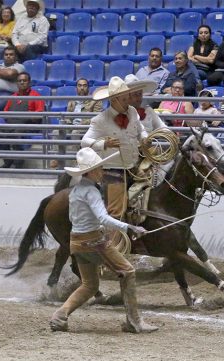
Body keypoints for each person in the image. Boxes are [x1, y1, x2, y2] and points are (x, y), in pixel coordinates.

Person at [48, 147, 158, 334]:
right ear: (91, 171)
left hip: (77, 243)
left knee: (90, 285)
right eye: (100, 168)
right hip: (94, 242)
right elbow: (103, 218)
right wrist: (130, 227)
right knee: (128, 271)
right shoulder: (91, 191)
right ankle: (134, 321)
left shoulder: (75, 190)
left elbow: (77, 219)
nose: (103, 171)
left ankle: (59, 316)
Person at [81, 76, 148, 219]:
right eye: (123, 99)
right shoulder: (100, 120)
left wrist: (144, 138)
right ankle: (114, 239)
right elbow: (85, 141)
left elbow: (141, 129)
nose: (127, 102)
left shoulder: (133, 112)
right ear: (113, 100)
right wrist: (104, 144)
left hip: (133, 166)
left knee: (152, 186)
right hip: (113, 171)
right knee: (116, 211)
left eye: (127, 98)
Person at [52, 78, 104, 169]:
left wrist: (81, 123)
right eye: (79, 86)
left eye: (84, 85)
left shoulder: (95, 100)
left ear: (88, 88)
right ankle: (57, 158)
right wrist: (66, 122)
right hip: (72, 125)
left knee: (75, 132)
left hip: (87, 126)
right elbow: (68, 115)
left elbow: (96, 117)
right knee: (56, 131)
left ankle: (75, 161)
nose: (82, 88)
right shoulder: (72, 101)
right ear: (76, 88)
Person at [0, 71, 44, 168]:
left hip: (28, 125)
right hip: (11, 124)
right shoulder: (13, 97)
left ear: (29, 82)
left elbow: (39, 114)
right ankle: (8, 161)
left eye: (24, 80)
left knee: (16, 133)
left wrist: (29, 116)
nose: (22, 82)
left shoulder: (36, 96)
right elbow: (5, 112)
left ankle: (18, 162)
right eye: (20, 81)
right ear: (17, 83)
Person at [0, 46, 24, 111]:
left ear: (16, 57)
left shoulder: (20, 66)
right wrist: (5, 76)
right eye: (6, 54)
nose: (8, 56)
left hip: (7, 94)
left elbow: (10, 74)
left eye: (11, 54)